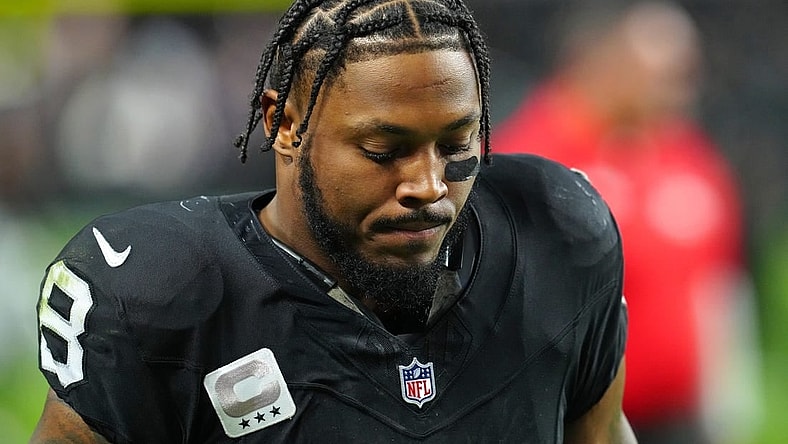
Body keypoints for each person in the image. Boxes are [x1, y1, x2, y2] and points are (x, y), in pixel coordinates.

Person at [31, 1, 636, 442]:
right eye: (384, 150)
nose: (429, 186)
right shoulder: (160, 292)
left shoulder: (557, 233)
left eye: (457, 145)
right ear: (285, 123)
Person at [492, 2, 757, 443]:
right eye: (667, 72)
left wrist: (727, 408)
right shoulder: (530, 160)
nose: (685, 88)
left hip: (681, 423)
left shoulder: (690, 157)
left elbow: (715, 288)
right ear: (603, 63)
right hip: (579, 425)